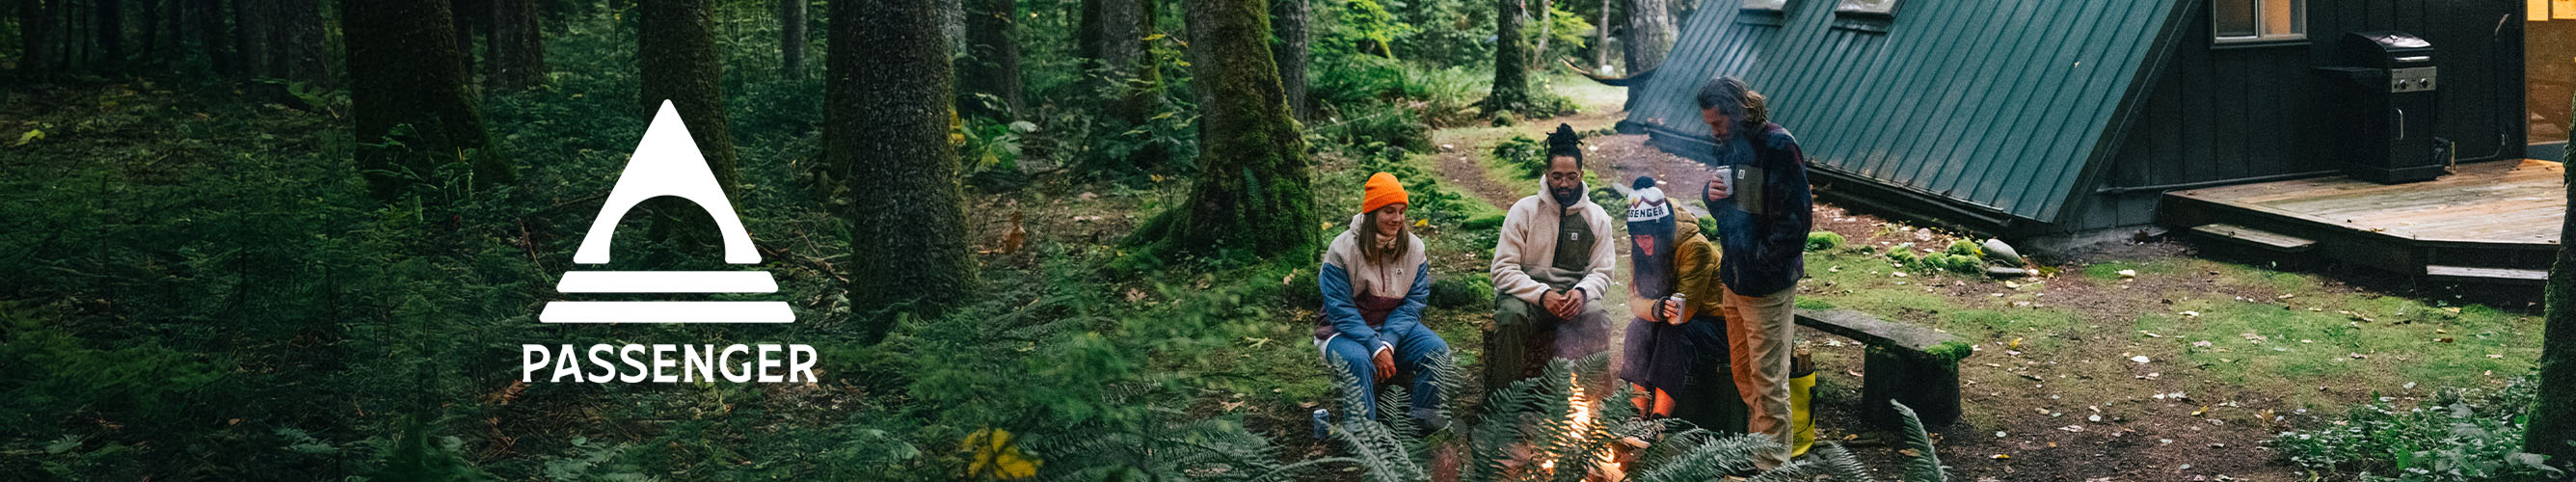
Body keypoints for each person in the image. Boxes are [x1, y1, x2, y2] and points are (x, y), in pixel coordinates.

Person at [1697, 76, 1814, 469]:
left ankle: (1770, 467)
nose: (1713, 131)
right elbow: (1730, 211)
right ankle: (1757, 450)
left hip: (1767, 285)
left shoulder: (1779, 146)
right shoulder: (1728, 147)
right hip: (1734, 279)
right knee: (1745, 373)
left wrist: (1760, 262)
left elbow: (1795, 223)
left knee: (1768, 380)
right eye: (1709, 124)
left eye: (1717, 123)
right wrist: (1710, 197)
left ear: (1736, 110)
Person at [1488, 124, 1617, 388]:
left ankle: (1597, 403)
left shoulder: (1596, 217)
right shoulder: (1524, 211)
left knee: (1597, 317)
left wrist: (1581, 293)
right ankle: (1502, 406)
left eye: (1571, 176)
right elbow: (1502, 270)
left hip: (1572, 299)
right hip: (1526, 298)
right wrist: (1543, 295)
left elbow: (1602, 272)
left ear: (1581, 174)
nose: (1564, 184)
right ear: (1546, 174)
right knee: (1510, 317)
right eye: (1557, 176)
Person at [1317, 173, 1451, 427]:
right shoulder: (1341, 250)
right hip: (1341, 331)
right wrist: (1375, 347)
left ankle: (1423, 427)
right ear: (1372, 212)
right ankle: (1363, 436)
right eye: (1389, 211)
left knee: (1437, 351)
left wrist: (1387, 342)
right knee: (1358, 360)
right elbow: (1339, 309)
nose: (1397, 218)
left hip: (1393, 328)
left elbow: (1413, 303)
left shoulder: (1414, 249)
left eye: (1401, 211)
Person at [1615, 177, 1730, 421]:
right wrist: (1656, 308)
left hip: (1717, 324)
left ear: (1662, 232)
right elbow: (1636, 301)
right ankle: (1637, 414)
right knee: (1638, 327)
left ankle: (1659, 421)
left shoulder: (1694, 247)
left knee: (1673, 333)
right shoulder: (1640, 248)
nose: (1642, 244)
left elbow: (1683, 313)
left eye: (1647, 238)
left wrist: (1662, 310)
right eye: (1637, 238)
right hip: (1670, 318)